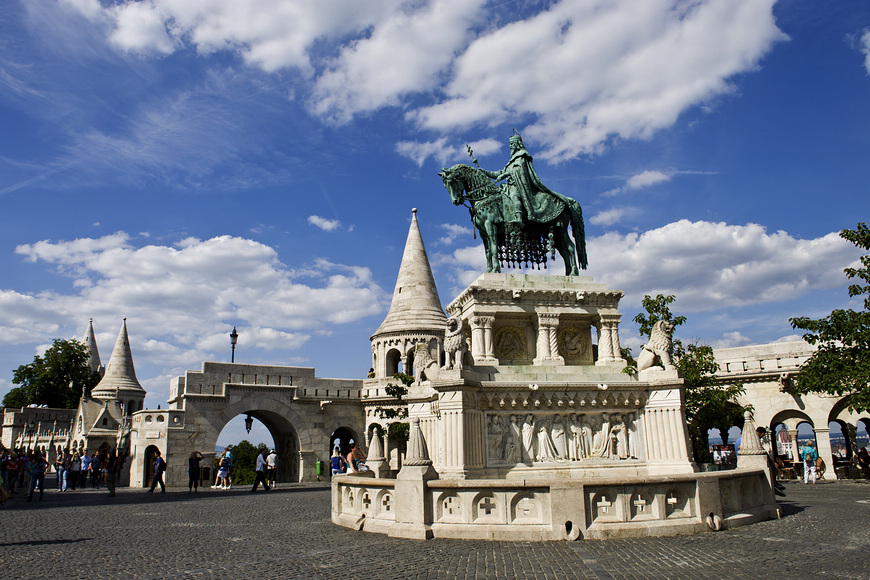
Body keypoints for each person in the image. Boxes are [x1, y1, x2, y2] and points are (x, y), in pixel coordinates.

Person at [479, 132, 576, 226]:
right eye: (510, 144)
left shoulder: (522, 157)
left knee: (514, 196)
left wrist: (505, 175)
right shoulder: (511, 161)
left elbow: (519, 170)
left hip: (519, 187)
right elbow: (499, 173)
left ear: (517, 144)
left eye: (512, 144)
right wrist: (484, 171)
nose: (510, 146)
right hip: (508, 187)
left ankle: (519, 219)